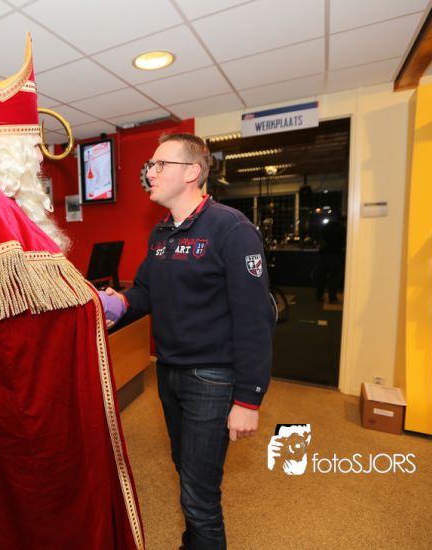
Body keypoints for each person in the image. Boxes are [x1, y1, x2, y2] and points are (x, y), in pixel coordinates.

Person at [0, 34, 144, 550]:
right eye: (29, 147)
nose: (35, 161)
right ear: (8, 145)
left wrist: (83, 297)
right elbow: (8, 330)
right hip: (15, 409)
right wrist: (93, 304)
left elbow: (20, 296)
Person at [109, 133, 274, 550]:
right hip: (169, 372)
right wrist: (117, 303)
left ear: (192, 172)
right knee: (186, 470)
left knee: (199, 496)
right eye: (151, 165)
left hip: (212, 378)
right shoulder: (161, 233)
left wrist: (248, 399)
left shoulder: (231, 228)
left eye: (160, 164)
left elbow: (255, 318)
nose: (150, 173)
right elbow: (146, 291)